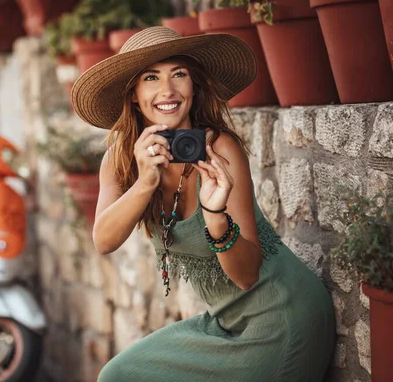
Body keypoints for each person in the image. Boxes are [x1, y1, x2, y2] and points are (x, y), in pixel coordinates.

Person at [70, 26, 335, 382]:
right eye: (151, 78)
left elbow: (245, 276)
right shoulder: (120, 159)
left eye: (178, 74)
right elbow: (103, 240)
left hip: (282, 316)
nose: (167, 91)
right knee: (118, 375)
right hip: (225, 323)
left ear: (193, 86)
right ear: (133, 94)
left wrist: (215, 215)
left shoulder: (219, 149)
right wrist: (145, 182)